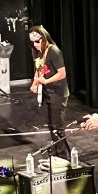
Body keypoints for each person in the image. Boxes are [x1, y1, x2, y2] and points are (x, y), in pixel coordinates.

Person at [28, 25, 71, 159]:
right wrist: (35, 83)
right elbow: (39, 69)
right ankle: (58, 151)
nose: (35, 45)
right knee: (52, 125)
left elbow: (62, 73)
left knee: (58, 126)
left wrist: (46, 81)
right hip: (48, 93)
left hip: (58, 93)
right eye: (32, 42)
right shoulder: (38, 51)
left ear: (44, 38)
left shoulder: (54, 51)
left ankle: (64, 155)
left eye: (37, 41)